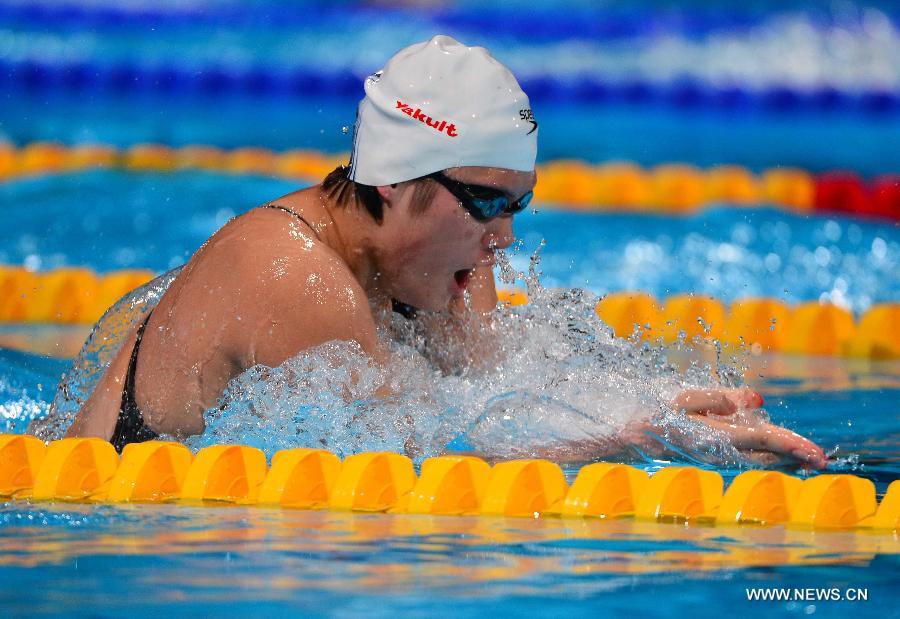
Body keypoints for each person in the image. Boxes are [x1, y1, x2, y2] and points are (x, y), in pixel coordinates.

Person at [64, 35, 827, 468]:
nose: (504, 237)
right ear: (395, 181)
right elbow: (428, 458)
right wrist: (638, 438)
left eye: (517, 205)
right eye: (488, 205)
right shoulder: (293, 275)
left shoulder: (438, 265)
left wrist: (652, 406)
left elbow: (491, 399)